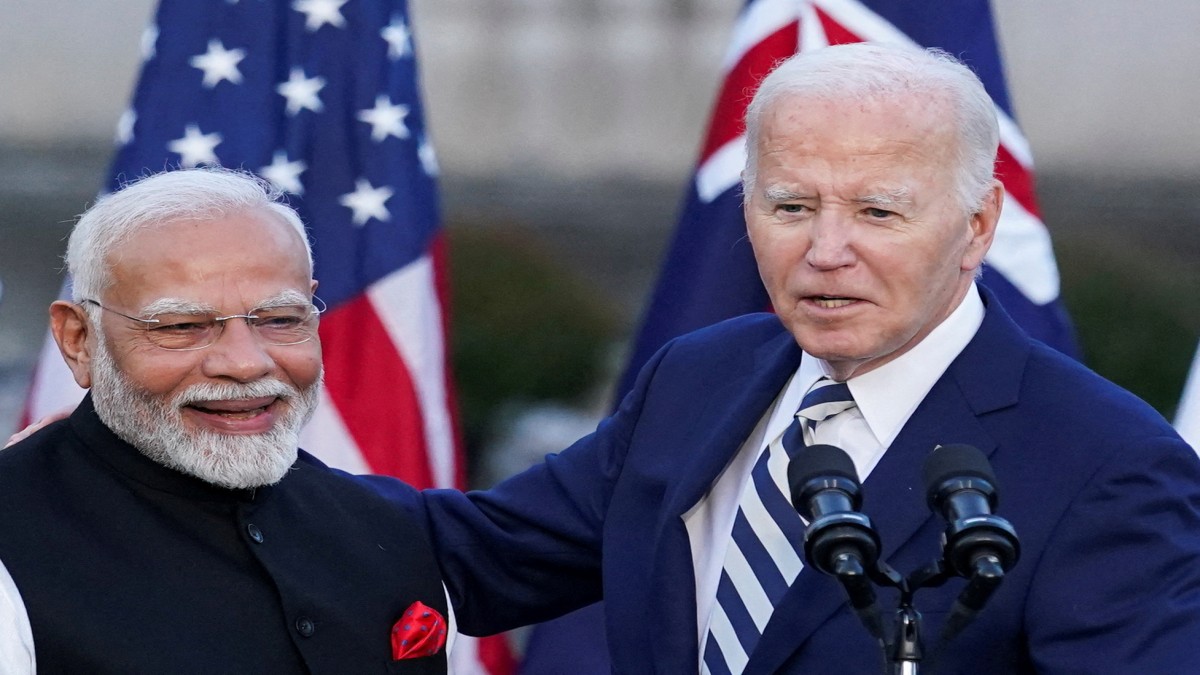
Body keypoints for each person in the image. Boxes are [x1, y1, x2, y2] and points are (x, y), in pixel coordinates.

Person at [414, 43, 1200, 673]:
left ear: (979, 224)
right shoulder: (699, 375)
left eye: (877, 211)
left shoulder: (1109, 466)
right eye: (791, 206)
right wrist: (284, 466)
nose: (826, 252)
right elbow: (480, 554)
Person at [0, 168, 451, 674]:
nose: (245, 363)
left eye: (280, 319)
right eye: (182, 326)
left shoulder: (380, 525)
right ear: (79, 339)